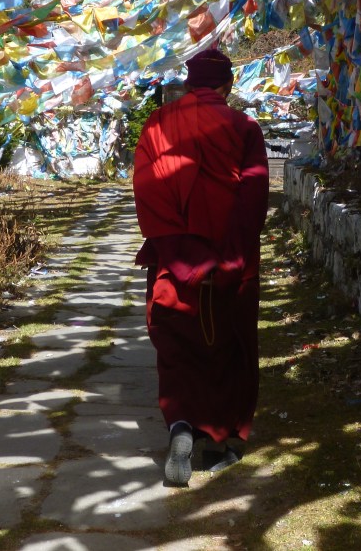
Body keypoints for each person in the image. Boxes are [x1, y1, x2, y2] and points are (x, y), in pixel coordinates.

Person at [133, 47, 270, 486]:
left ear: (190, 83)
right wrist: (229, 258)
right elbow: (253, 200)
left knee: (177, 347)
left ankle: (181, 427)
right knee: (230, 349)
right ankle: (223, 441)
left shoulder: (156, 125)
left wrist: (177, 254)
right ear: (228, 85)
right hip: (231, 264)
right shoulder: (244, 128)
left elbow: (148, 192)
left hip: (174, 262)